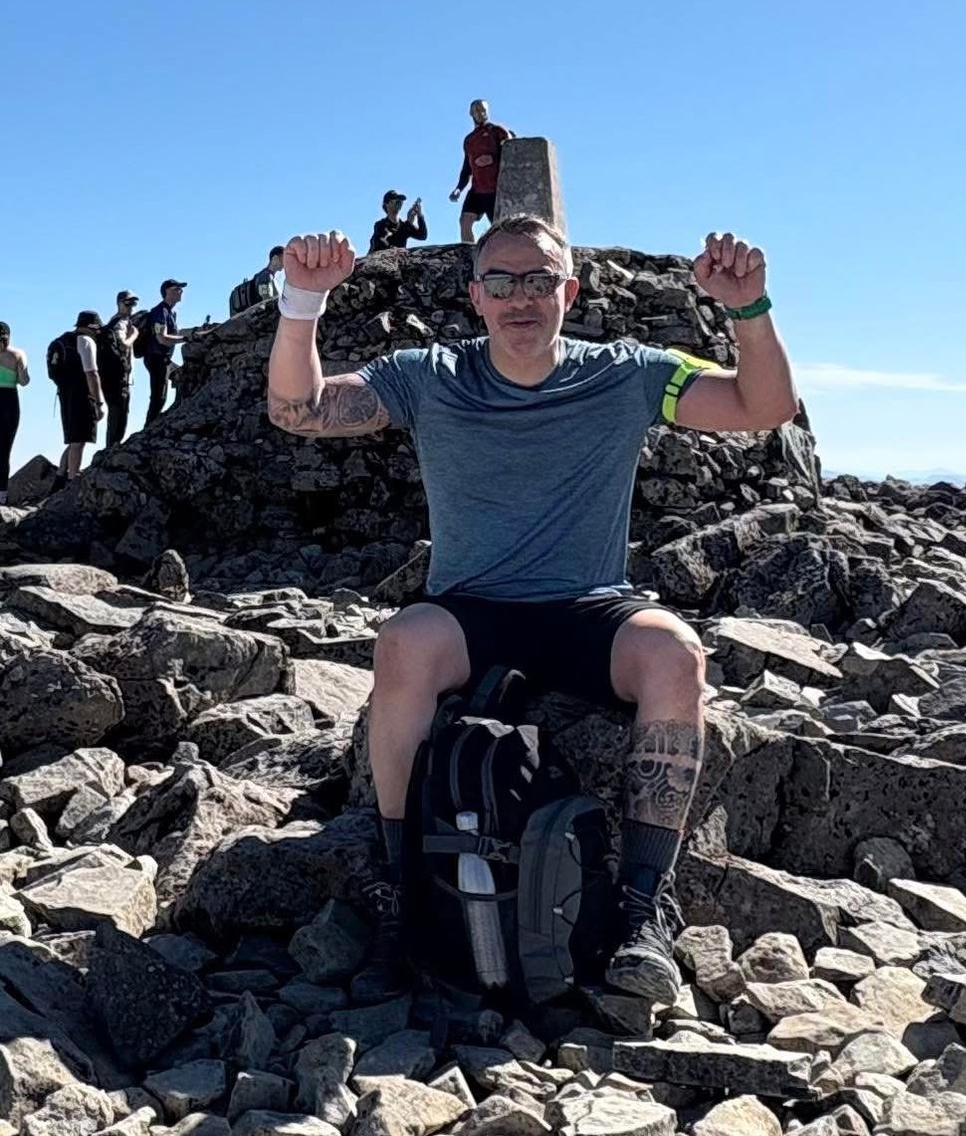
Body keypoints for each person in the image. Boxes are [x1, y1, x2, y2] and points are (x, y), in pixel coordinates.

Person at [268, 219, 798, 1005]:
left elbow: (764, 407)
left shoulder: (628, 374)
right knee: (404, 642)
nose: (521, 297)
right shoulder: (429, 375)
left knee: (676, 654)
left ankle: (642, 908)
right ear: (476, 296)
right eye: (502, 281)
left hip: (588, 606)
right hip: (471, 609)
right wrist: (304, 299)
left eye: (540, 280)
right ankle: (403, 892)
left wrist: (748, 309)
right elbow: (298, 409)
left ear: (569, 292)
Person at [449, 100, 513, 244]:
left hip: (495, 190)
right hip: (477, 190)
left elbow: (513, 152)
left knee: (499, 229)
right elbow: (467, 168)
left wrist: (493, 158)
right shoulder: (469, 140)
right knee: (465, 222)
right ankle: (470, 253)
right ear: (471, 114)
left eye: (483, 110)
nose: (481, 113)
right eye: (477, 110)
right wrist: (459, 189)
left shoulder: (497, 131)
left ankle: (499, 254)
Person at [53, 310, 105, 486]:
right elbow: (91, 373)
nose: (98, 332)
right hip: (82, 395)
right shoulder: (86, 341)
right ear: (92, 327)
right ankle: (72, 480)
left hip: (64, 393)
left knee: (73, 437)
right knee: (79, 440)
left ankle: (60, 475)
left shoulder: (64, 340)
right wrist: (99, 402)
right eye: (97, 329)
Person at [97, 290, 140, 447]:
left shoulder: (115, 322)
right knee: (119, 413)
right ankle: (112, 448)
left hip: (110, 376)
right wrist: (134, 334)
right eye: (128, 303)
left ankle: (112, 447)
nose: (131, 307)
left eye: (133, 304)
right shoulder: (120, 323)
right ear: (119, 304)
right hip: (118, 377)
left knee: (117, 413)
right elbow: (123, 344)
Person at [145, 279, 186, 425]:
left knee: (182, 377)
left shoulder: (170, 312)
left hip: (164, 359)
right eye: (177, 289)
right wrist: (186, 339)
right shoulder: (160, 311)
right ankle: (149, 429)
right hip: (157, 358)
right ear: (167, 291)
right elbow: (162, 338)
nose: (181, 292)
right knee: (159, 397)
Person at [0, 321, 30, 505]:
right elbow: (24, 381)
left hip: (7, 401)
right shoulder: (17, 354)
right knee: (4, 451)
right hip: (9, 401)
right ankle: (1, 496)